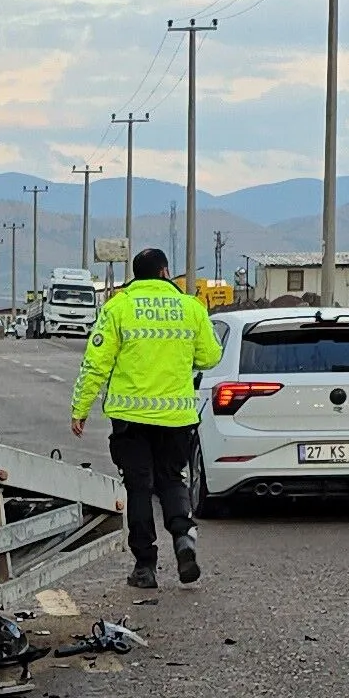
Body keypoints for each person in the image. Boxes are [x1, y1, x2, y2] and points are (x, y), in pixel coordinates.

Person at [70, 246, 222, 590]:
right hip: (176, 417)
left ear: (135, 275)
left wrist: (80, 408)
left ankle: (145, 566)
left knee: (138, 487)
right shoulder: (191, 307)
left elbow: (95, 364)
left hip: (131, 418)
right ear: (165, 272)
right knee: (172, 479)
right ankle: (183, 538)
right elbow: (211, 356)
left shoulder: (118, 308)